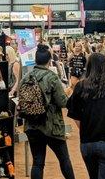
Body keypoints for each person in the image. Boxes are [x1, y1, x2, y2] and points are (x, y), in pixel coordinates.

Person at [20, 44, 75, 179]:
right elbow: (62, 102)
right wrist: (68, 92)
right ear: (49, 61)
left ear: (36, 60)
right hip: (51, 125)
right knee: (64, 159)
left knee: (38, 163)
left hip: (32, 124)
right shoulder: (52, 77)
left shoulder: (26, 77)